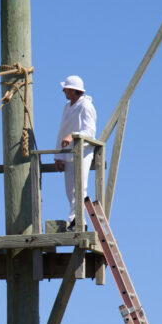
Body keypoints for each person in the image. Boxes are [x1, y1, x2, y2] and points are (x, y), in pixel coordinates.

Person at [54, 75, 97, 231]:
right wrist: (58, 156)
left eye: (65, 88)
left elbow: (90, 131)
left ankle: (77, 221)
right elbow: (62, 131)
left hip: (83, 151)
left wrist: (72, 136)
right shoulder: (68, 106)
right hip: (69, 153)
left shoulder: (86, 106)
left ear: (72, 90)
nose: (63, 90)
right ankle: (77, 221)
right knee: (70, 190)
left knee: (80, 187)